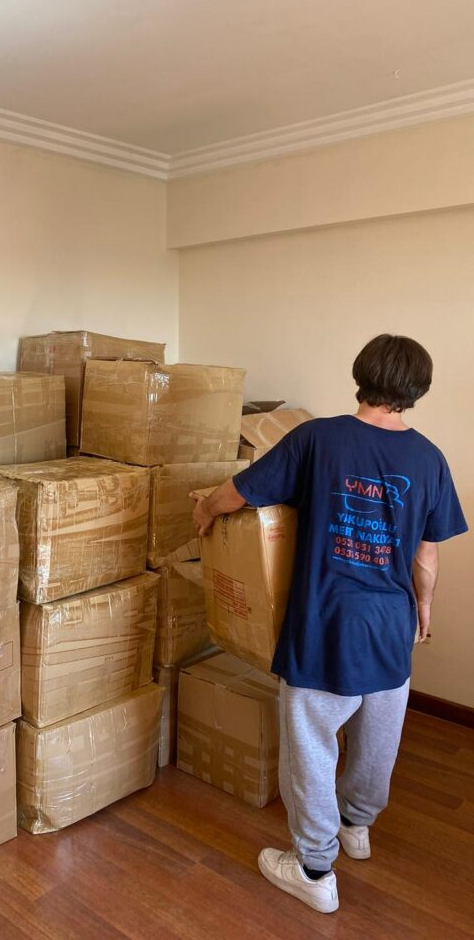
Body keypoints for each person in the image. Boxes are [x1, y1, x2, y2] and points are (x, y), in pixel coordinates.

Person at [191, 334, 467, 914]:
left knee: (312, 745)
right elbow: (426, 554)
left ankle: (315, 868)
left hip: (325, 622)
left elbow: (238, 493)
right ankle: (355, 826)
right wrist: (423, 608)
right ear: (417, 390)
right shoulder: (429, 458)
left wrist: (205, 509)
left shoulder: (318, 438)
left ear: (361, 374)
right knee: (376, 739)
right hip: (390, 626)